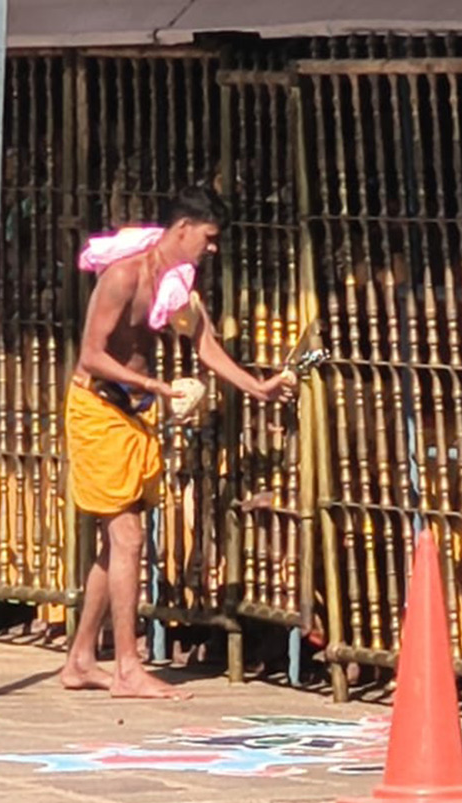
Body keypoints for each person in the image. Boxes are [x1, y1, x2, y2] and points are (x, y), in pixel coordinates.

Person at [61, 186, 295, 699]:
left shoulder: (177, 287)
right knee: (128, 539)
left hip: (135, 415)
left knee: (117, 541)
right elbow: (92, 354)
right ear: (183, 229)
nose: (211, 249)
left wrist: (257, 386)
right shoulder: (124, 276)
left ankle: (80, 659)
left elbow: (205, 344)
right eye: (208, 238)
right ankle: (126, 667)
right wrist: (155, 387)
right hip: (99, 408)